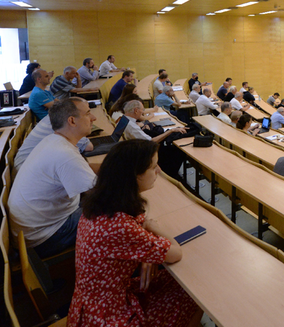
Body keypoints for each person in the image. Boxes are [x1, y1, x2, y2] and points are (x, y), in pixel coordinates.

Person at [69, 139, 201, 326]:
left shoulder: (100, 204)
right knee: (193, 292)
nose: (159, 171)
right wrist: (156, 229)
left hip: (93, 303)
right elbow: (175, 252)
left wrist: (146, 254)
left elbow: (138, 225)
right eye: (153, 167)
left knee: (173, 281)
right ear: (134, 176)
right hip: (107, 315)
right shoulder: (120, 226)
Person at [9, 98, 99, 257]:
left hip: (32, 232)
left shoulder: (53, 140)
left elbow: (85, 174)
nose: (94, 118)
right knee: (114, 215)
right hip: (44, 238)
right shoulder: (65, 154)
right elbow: (102, 194)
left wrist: (113, 167)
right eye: (88, 113)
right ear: (72, 121)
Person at [13, 114, 92, 176]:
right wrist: (82, 128)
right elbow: (89, 147)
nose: (93, 117)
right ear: (71, 119)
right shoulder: (62, 124)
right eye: (87, 113)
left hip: (26, 167)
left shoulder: (54, 117)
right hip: (28, 172)